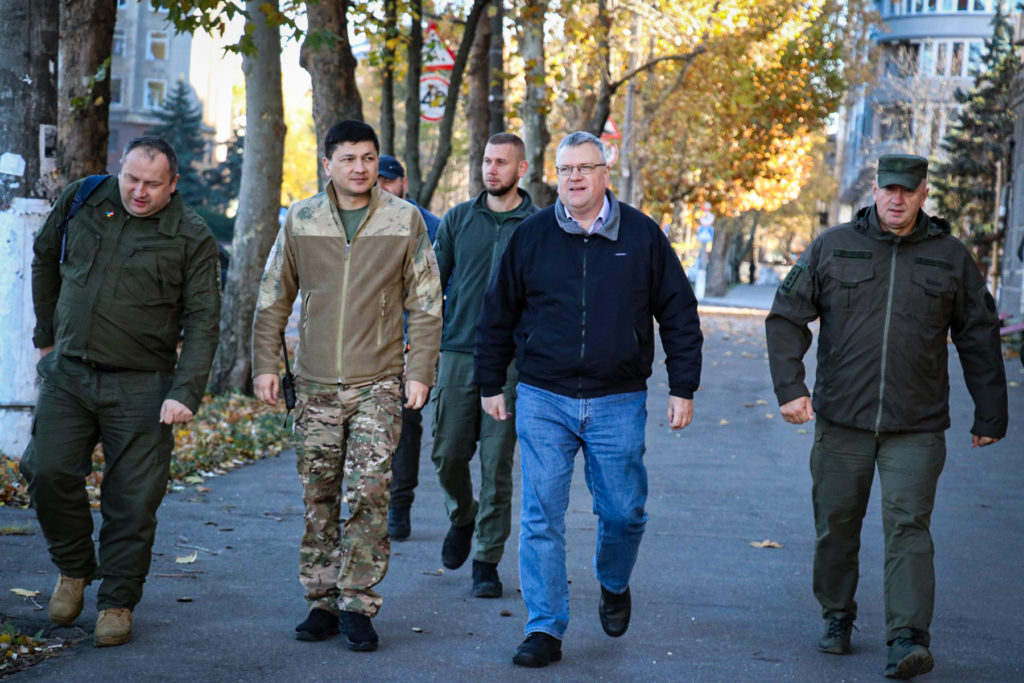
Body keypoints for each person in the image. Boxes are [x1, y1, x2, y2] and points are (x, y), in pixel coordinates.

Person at [765, 154, 1008, 680]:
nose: (897, 199)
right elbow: (786, 317)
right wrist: (790, 387)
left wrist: (991, 413)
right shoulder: (833, 246)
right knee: (836, 526)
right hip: (842, 420)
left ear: (924, 194)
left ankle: (907, 638)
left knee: (909, 528)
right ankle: (836, 615)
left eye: (908, 190)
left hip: (916, 425)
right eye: (888, 189)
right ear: (874, 190)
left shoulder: (950, 257)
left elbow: (980, 335)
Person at [475, 131, 703, 667]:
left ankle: (613, 581)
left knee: (623, 513)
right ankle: (544, 628)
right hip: (543, 396)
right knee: (540, 516)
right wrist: (490, 383)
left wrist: (683, 387)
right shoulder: (531, 237)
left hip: (617, 399)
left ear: (605, 173)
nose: (575, 177)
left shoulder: (643, 236)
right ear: (555, 175)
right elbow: (497, 313)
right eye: (566, 169)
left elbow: (678, 313)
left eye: (585, 167)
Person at [21, 136, 222, 647]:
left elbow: (204, 320)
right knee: (46, 471)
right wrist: (46, 337)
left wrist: (186, 391)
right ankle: (73, 567)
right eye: (131, 178)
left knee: (132, 502)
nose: (138, 191)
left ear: (172, 185)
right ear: (119, 167)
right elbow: (45, 257)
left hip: (144, 385)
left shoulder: (191, 236)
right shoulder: (84, 198)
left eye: (152, 184)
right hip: (69, 373)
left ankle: (116, 601)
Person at [252, 120, 442, 652]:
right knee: (319, 495)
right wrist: (266, 362)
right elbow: (273, 297)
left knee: (367, 493)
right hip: (312, 386)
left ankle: (357, 603)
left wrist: (420, 371)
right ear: (328, 163)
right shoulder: (301, 219)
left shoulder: (404, 220)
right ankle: (321, 602)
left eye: (368, 157)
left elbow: (426, 303)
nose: (360, 167)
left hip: (378, 383)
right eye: (349, 158)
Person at [429, 132, 537, 598]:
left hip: (512, 363)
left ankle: (486, 559)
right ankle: (462, 515)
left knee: (496, 464)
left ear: (522, 169)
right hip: (457, 351)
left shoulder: (539, 226)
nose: (491, 169)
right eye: (486, 161)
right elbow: (431, 286)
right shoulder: (457, 219)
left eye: (501, 163)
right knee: (447, 454)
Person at [376, 154, 440, 541]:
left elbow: (439, 291)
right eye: (377, 180)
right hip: (363, 343)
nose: (383, 187)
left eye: (389, 180)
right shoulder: (359, 223)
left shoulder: (431, 227)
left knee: (406, 425)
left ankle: (399, 506)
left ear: (404, 184)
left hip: (408, 343)